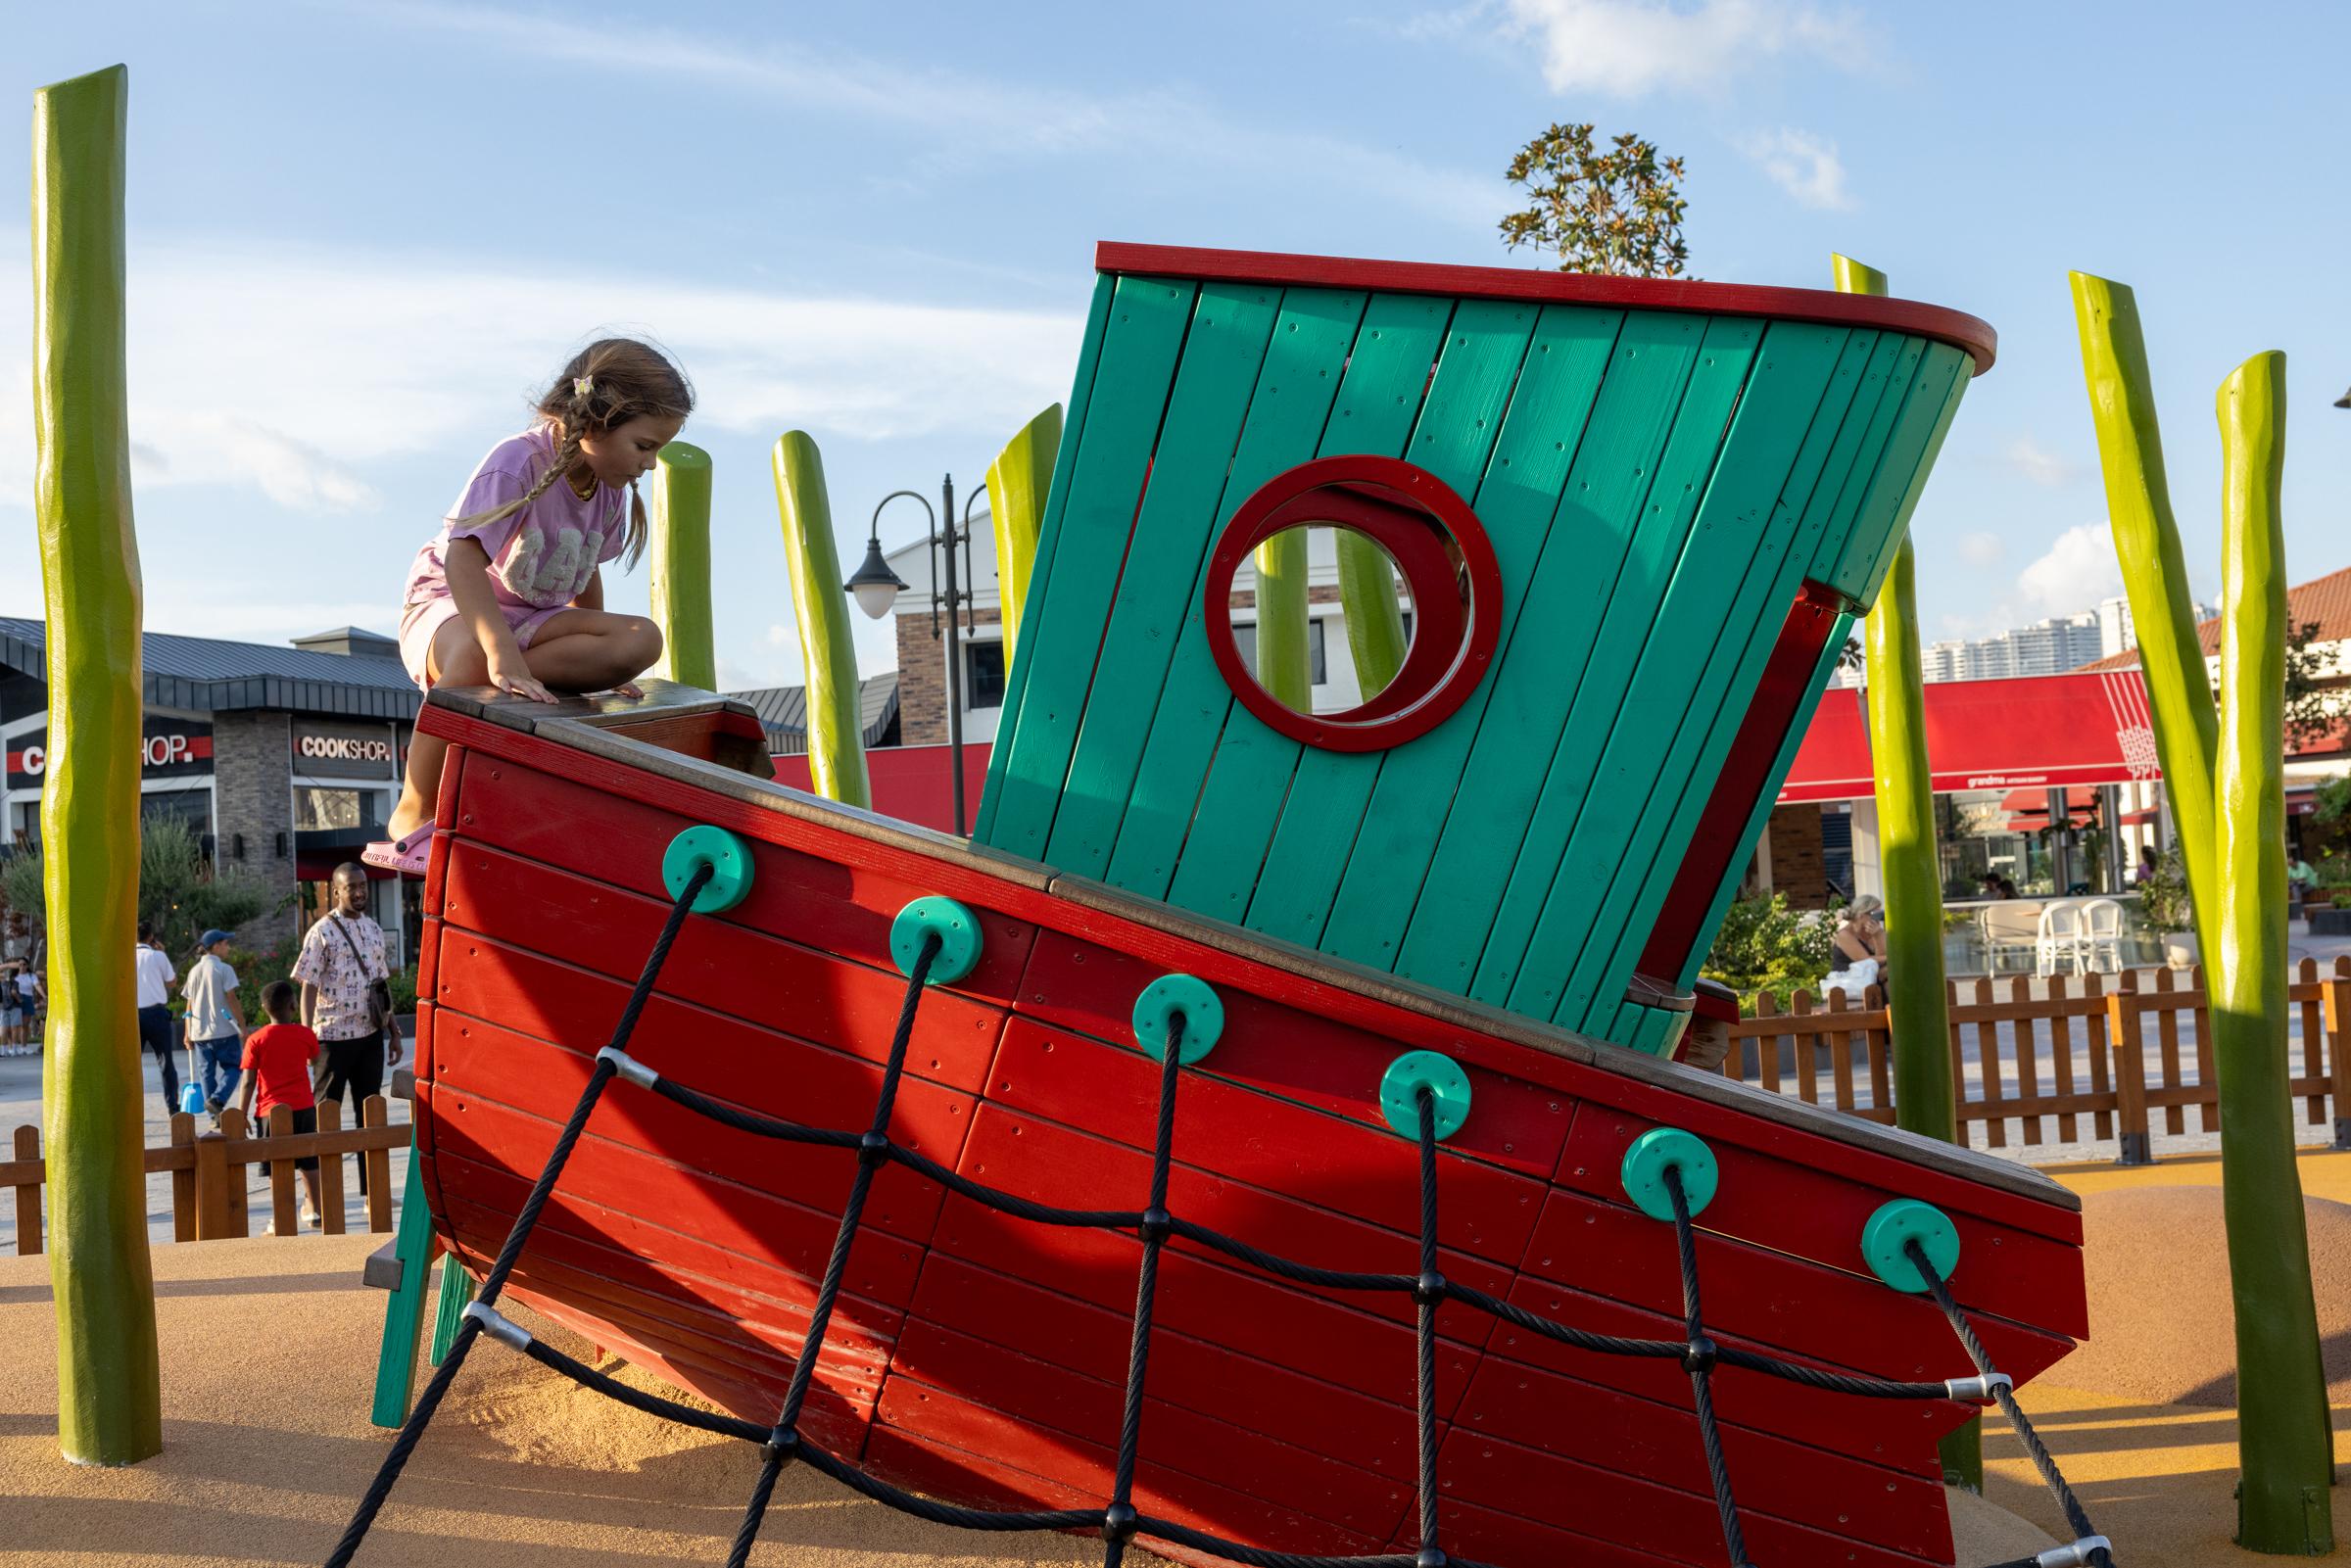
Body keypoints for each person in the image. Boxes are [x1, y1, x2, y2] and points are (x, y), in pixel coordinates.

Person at [367, 340, 692, 876]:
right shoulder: (518, 460)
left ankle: (504, 676)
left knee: (641, 638)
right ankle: (413, 808)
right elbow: (463, 558)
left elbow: (583, 573)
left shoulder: (608, 489)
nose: (651, 464)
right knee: (473, 652)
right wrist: (499, 651)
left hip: (531, 620)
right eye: (643, 445)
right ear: (596, 421)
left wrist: (603, 664)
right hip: (453, 604)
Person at [293, 863, 400, 1195]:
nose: (359, 892)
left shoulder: (373, 929)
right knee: (327, 1116)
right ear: (336, 891)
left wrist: (394, 1032)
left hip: (369, 1035)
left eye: (363, 885)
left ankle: (373, 1193)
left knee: (369, 1114)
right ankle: (324, 1195)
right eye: (351, 886)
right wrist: (306, 1035)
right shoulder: (321, 932)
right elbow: (308, 985)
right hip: (331, 1039)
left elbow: (380, 985)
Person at [239, 980, 325, 1228]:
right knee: (309, 1161)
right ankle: (316, 1209)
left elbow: (248, 1081)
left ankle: (281, 1216)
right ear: (292, 1005)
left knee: (277, 1165)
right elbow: (314, 1058)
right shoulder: (305, 1034)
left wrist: (241, 1113)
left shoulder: (256, 1040)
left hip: (269, 1110)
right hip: (303, 1106)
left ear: (264, 1008)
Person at [181, 928, 248, 1117]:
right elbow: (232, 998)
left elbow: (189, 1005)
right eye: (226, 944)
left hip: (199, 1032)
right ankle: (217, 1099)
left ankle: (214, 1116)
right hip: (224, 1030)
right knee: (234, 1067)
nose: (228, 947)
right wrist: (242, 1026)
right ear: (216, 946)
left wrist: (187, 1033)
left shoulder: (194, 971)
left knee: (206, 1074)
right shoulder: (224, 969)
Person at [132, 920, 180, 1105]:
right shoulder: (158, 956)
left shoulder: (126, 956)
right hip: (156, 1013)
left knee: (132, 1064)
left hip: (134, 1014)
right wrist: (162, 953)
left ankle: (131, 1107)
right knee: (166, 1062)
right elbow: (172, 981)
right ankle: (172, 1107)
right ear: (151, 936)